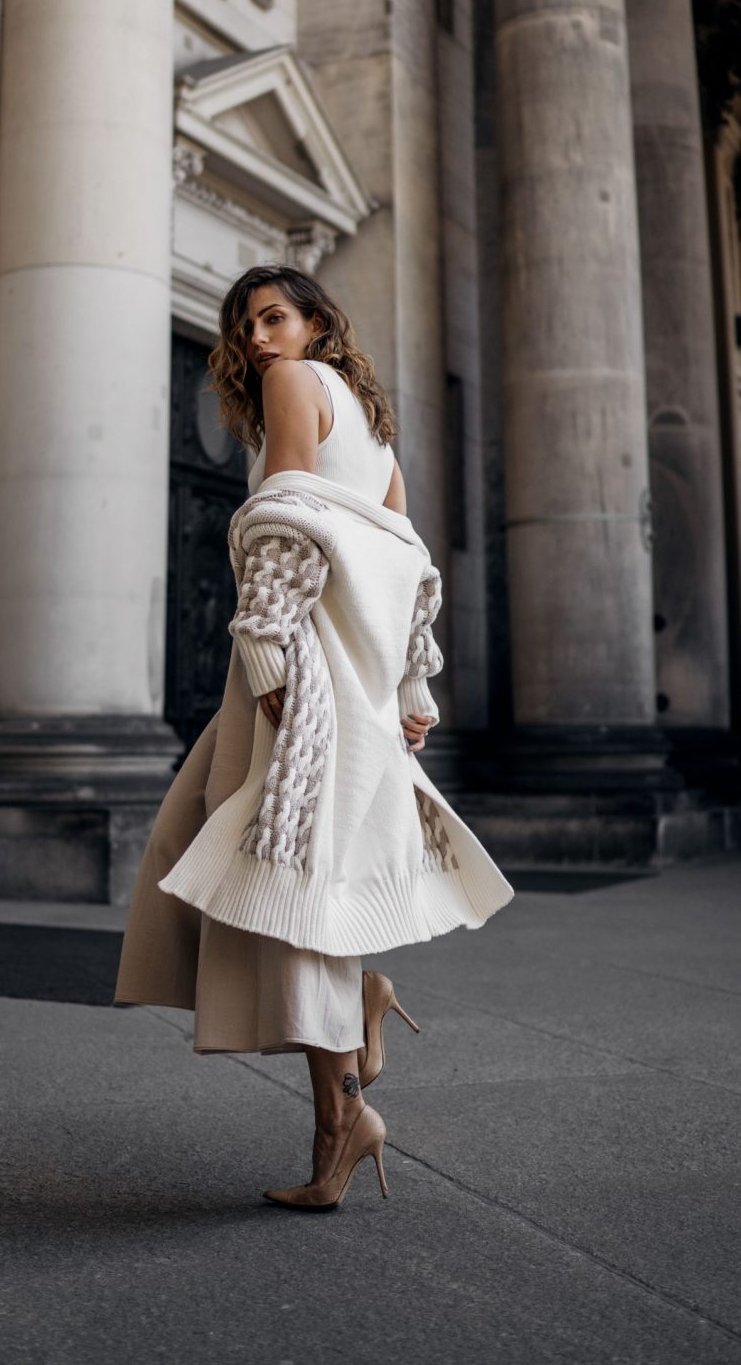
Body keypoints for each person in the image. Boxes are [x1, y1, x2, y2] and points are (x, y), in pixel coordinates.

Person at [114, 263, 513, 1209]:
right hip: (357, 685)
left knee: (284, 895)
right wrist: (414, 682)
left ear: (314, 323)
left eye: (273, 317)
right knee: (288, 884)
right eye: (245, 323)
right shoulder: (375, 429)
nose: (257, 338)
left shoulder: (295, 385)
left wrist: (268, 671)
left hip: (300, 683)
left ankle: (341, 1122)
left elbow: (281, 530)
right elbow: (412, 564)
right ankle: (357, 1022)